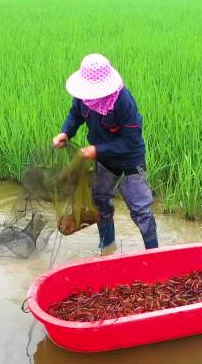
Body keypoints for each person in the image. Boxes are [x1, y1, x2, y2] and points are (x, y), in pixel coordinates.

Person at [52, 53, 158, 250]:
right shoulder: (83, 97)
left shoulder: (122, 100)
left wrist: (97, 149)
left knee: (140, 209)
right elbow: (75, 115)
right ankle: (107, 248)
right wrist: (65, 132)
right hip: (104, 160)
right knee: (100, 202)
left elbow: (131, 140)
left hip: (129, 160)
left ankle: (153, 252)